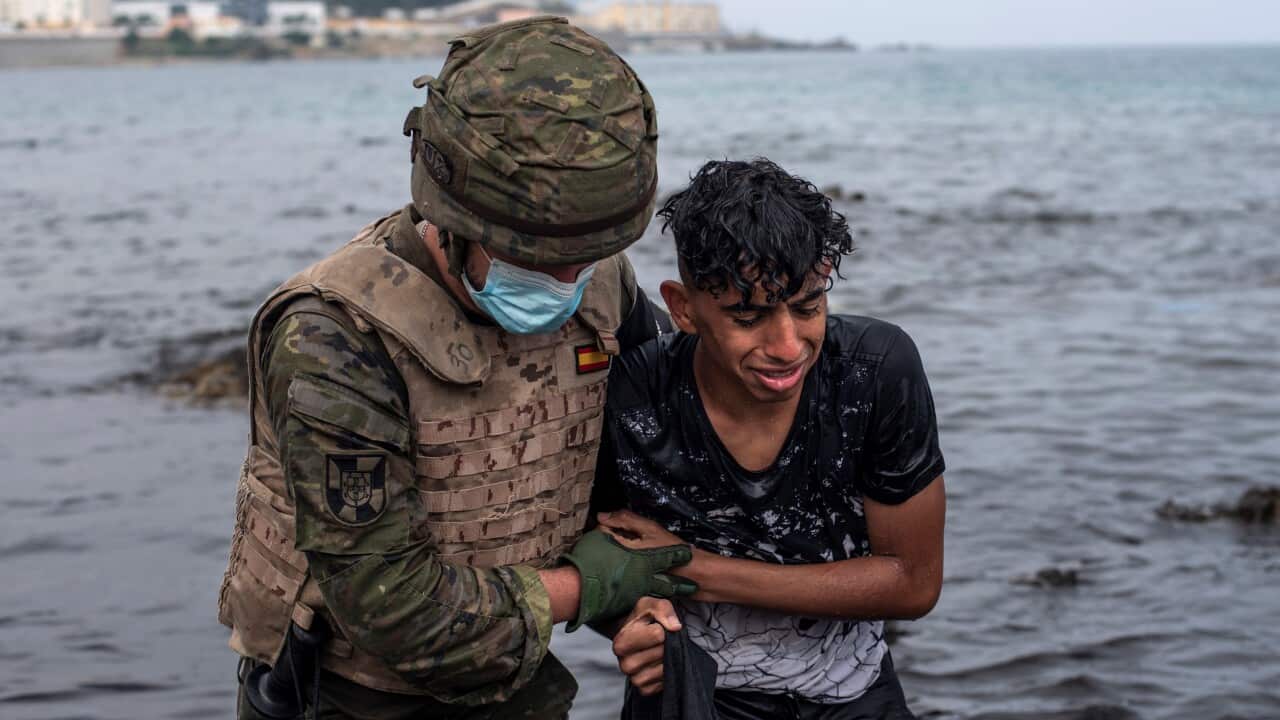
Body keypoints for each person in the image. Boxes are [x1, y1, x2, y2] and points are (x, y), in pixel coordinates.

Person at [217, 16, 694, 720]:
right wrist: (589, 586)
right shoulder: (334, 335)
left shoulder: (599, 281)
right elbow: (391, 609)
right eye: (535, 259)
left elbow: (636, 461)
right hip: (347, 698)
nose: (567, 281)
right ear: (454, 219)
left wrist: (638, 602)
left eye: (586, 254)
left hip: (514, 679)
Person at [592, 159, 947, 719]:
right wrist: (627, 625)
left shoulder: (875, 371)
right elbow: (603, 551)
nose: (787, 346)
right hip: (692, 692)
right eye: (747, 317)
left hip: (853, 693)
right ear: (683, 308)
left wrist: (697, 570)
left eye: (808, 307)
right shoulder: (634, 393)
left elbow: (913, 582)